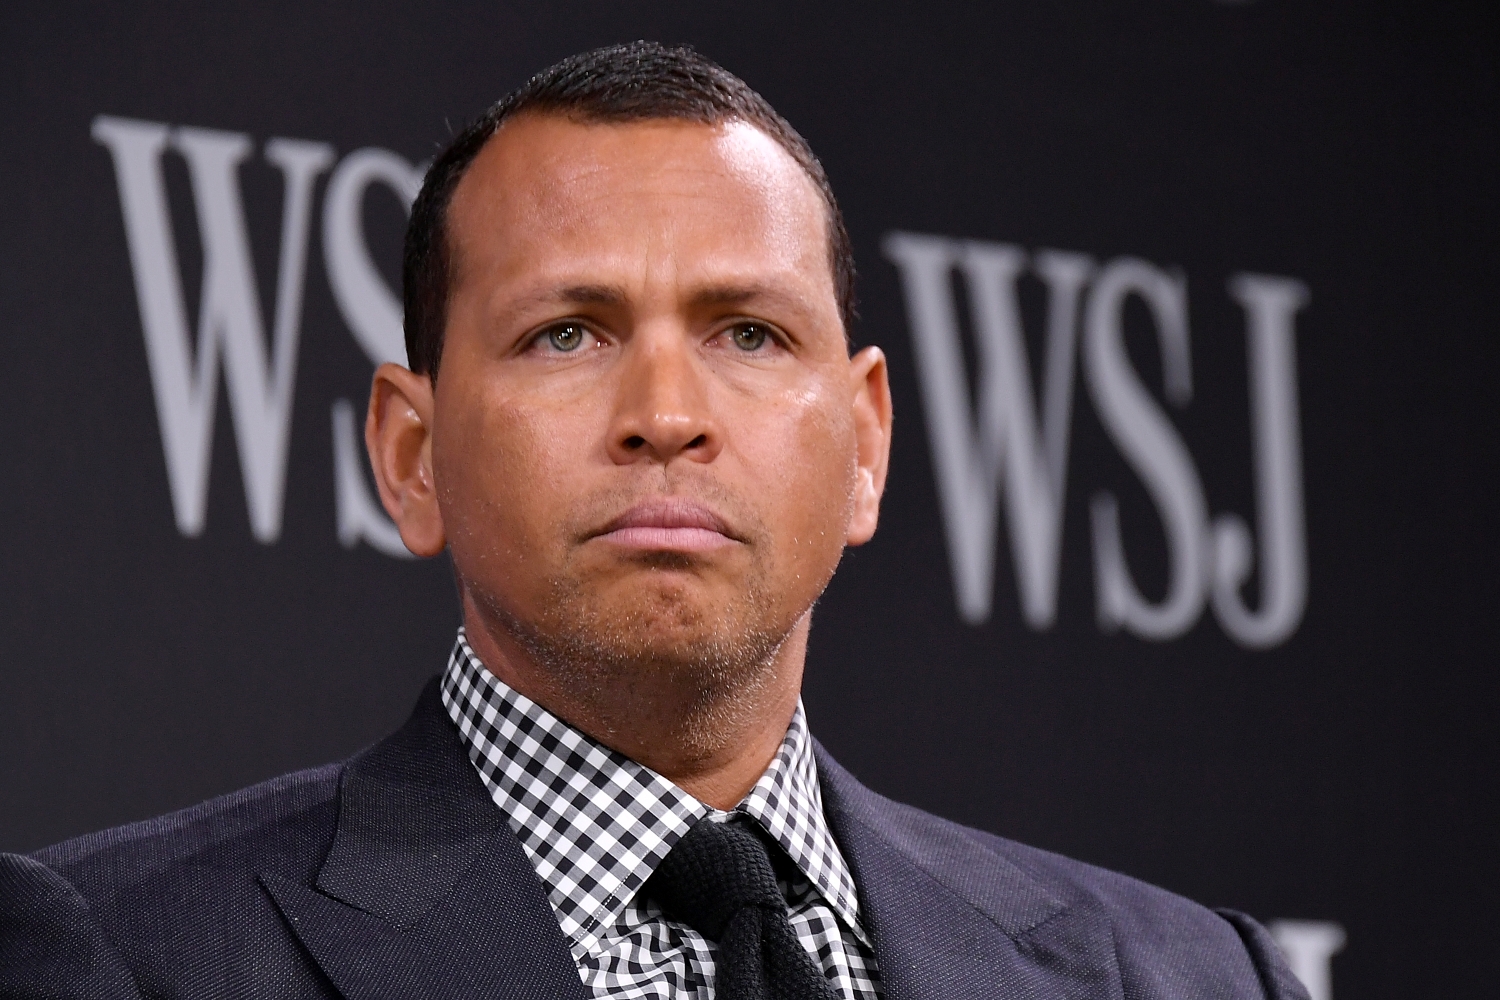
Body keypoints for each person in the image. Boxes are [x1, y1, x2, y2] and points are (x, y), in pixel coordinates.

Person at [0, 42, 1307, 1000]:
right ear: (410, 455)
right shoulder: (120, 953)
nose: (666, 414)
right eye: (566, 333)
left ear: (866, 443)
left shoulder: (1194, 978)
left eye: (750, 331)